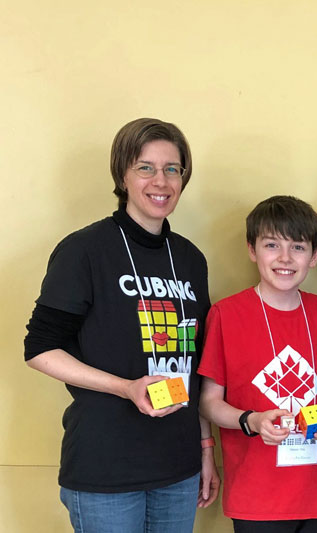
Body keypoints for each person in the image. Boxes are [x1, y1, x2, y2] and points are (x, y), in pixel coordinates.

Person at [24, 117, 220, 532]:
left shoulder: (190, 260)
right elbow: (39, 348)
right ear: (123, 175)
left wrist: (205, 450)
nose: (161, 181)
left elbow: (195, 364)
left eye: (173, 169)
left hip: (178, 467)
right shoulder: (85, 250)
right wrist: (125, 387)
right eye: (145, 167)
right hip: (106, 469)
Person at [198, 196, 317, 533]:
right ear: (252, 250)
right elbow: (208, 403)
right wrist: (251, 420)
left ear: (314, 256)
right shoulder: (226, 315)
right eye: (271, 245)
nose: (284, 258)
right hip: (256, 497)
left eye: (297, 247)